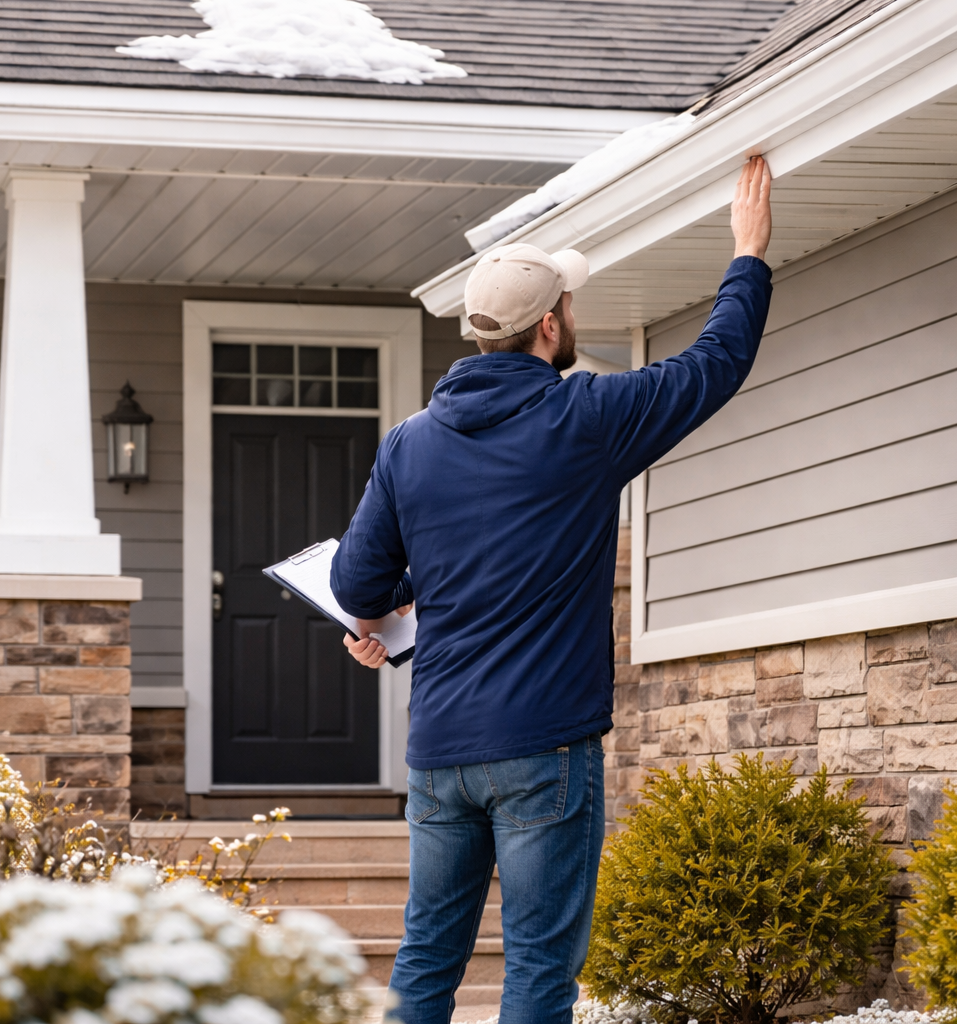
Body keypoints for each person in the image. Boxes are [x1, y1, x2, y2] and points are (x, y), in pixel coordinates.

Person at [330, 156, 775, 1024]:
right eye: (568, 305)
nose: (573, 316)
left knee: (426, 958)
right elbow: (717, 363)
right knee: (538, 968)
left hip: (442, 750)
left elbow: (356, 582)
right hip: (544, 747)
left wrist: (385, 618)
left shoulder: (408, 444)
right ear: (548, 326)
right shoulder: (586, 421)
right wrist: (748, 251)